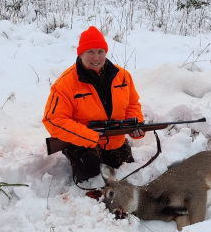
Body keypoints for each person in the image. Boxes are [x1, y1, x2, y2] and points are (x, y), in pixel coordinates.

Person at [43, 26, 145, 183]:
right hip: (80, 140)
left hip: (113, 137)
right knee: (89, 169)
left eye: (100, 51)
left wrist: (135, 124)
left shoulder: (123, 76)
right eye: (90, 52)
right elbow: (53, 119)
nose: (96, 57)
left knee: (124, 168)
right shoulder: (65, 83)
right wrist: (87, 136)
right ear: (81, 54)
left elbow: (132, 103)